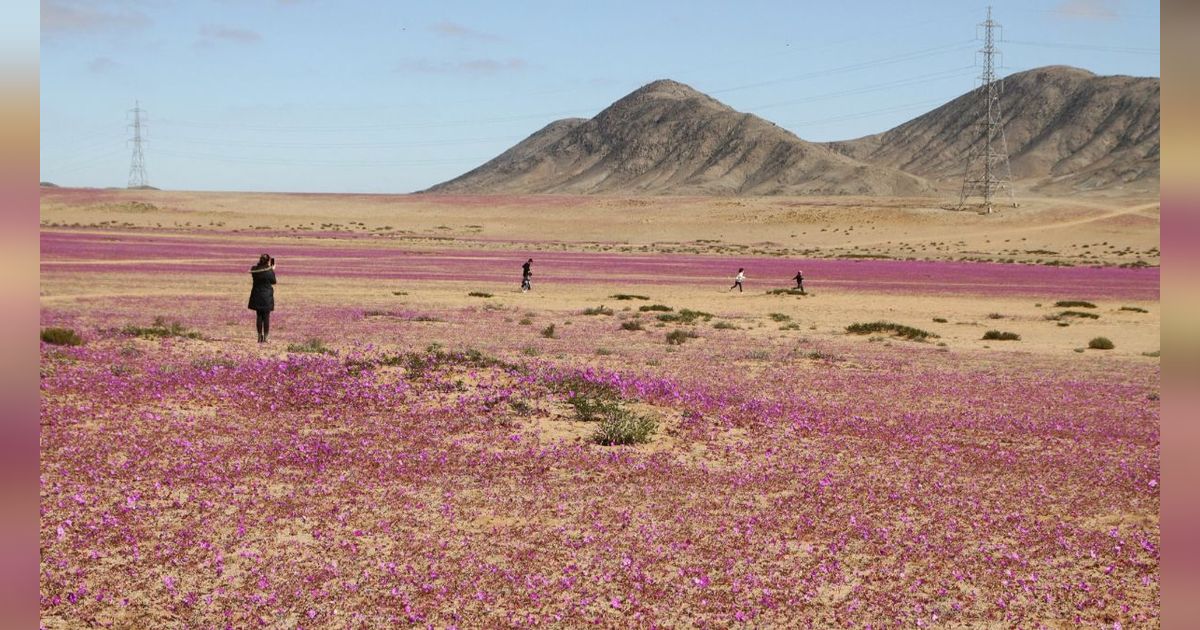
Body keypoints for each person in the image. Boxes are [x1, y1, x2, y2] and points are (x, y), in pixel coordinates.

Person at [248, 254, 276, 343]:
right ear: (268, 261)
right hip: (266, 296)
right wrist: (272, 270)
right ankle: (266, 338)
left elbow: (256, 275)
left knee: (259, 316)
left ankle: (259, 337)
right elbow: (273, 281)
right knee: (266, 317)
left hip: (256, 294)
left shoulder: (254, 269)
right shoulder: (269, 270)